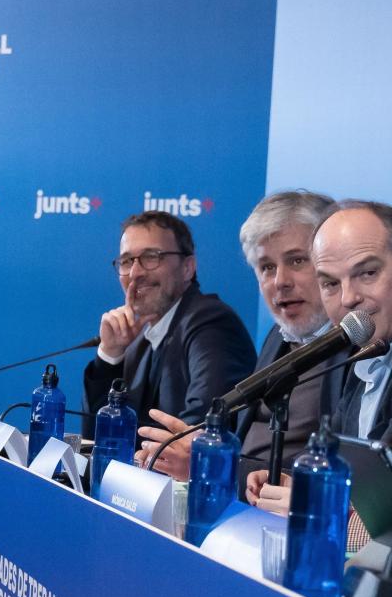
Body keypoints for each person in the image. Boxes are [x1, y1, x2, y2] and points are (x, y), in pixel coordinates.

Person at [247, 200, 392, 514]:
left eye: (367, 273)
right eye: (331, 284)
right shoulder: (368, 339)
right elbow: (336, 463)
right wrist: (296, 485)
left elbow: (385, 499)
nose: (349, 298)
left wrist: (313, 502)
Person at [139, 190, 336, 481]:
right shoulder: (278, 337)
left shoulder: (355, 350)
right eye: (267, 267)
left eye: (296, 261)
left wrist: (212, 467)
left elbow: (328, 480)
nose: (280, 281)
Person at [83, 210, 254, 440]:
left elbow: (197, 433)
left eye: (151, 257)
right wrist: (110, 356)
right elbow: (97, 439)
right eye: (126, 261)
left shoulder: (211, 322)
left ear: (187, 268)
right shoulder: (139, 343)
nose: (135, 273)